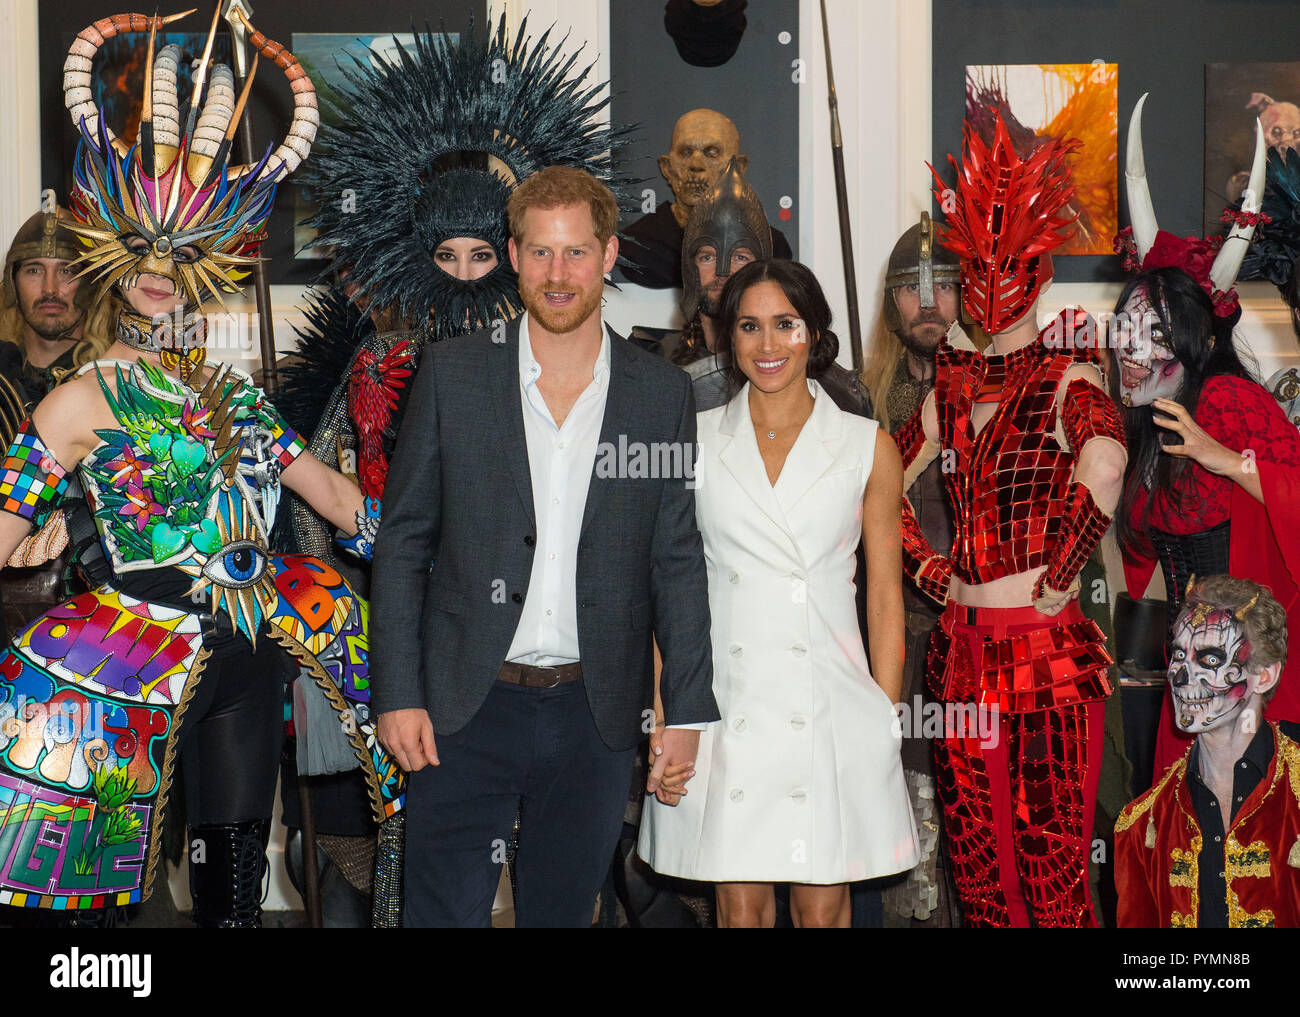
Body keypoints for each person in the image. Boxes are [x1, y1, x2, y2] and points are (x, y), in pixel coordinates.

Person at [0, 10, 400, 927]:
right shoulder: (77, 401)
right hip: (136, 656)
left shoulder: (237, 394)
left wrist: (429, 554)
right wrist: (37, 546)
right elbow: (5, 526)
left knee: (233, 892)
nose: (160, 271)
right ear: (114, 253)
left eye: (182, 255)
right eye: (144, 249)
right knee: (100, 901)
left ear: (206, 267)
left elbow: (335, 499)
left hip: (250, 656)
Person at [371, 165, 718, 928]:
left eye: (576, 253)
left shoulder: (659, 394)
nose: (558, 275)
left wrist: (685, 709)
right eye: (540, 253)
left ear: (608, 255)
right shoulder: (452, 375)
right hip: (462, 706)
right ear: (514, 255)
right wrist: (396, 691)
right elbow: (402, 544)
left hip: (593, 714)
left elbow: (677, 561)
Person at [897, 109, 1128, 927]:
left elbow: (1106, 461)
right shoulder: (952, 381)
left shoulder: (1069, 370)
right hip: (967, 651)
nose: (991, 277)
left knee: (1048, 879)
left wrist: (1064, 570)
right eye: (978, 263)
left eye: (1007, 261)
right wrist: (927, 567)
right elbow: (879, 474)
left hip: (1041, 654)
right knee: (986, 881)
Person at [637, 259, 919, 927]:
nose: (768, 346)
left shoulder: (866, 447)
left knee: (824, 909)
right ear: (727, 338)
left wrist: (885, 711)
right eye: (750, 327)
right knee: (740, 910)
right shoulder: (694, 444)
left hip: (831, 707)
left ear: (814, 332)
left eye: (785, 325)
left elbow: (885, 596)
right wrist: (663, 717)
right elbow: (670, 597)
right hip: (722, 702)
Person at [1113, 95, 1300, 781]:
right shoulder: (1149, 419)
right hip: (1188, 692)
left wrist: (1227, 459)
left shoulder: (1228, 401)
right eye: (1128, 325)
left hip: (1257, 692)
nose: (1129, 346)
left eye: (1153, 330)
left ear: (1195, 339)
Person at [859, 213, 965, 925]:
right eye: (911, 288)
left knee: (972, 829)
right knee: (897, 829)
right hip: (895, 637)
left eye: (944, 286)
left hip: (975, 637)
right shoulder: (861, 401)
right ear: (890, 301)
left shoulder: (992, 393)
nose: (928, 303)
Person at [1116, 575, 1300, 928]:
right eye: (1180, 654)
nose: (1182, 676)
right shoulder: (1143, 825)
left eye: (1210, 660)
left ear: (1263, 676)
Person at [619, 108, 792, 288]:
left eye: (712, 153)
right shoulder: (637, 244)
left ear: (738, 168)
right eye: (686, 152)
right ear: (667, 168)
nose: (696, 165)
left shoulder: (771, 246)